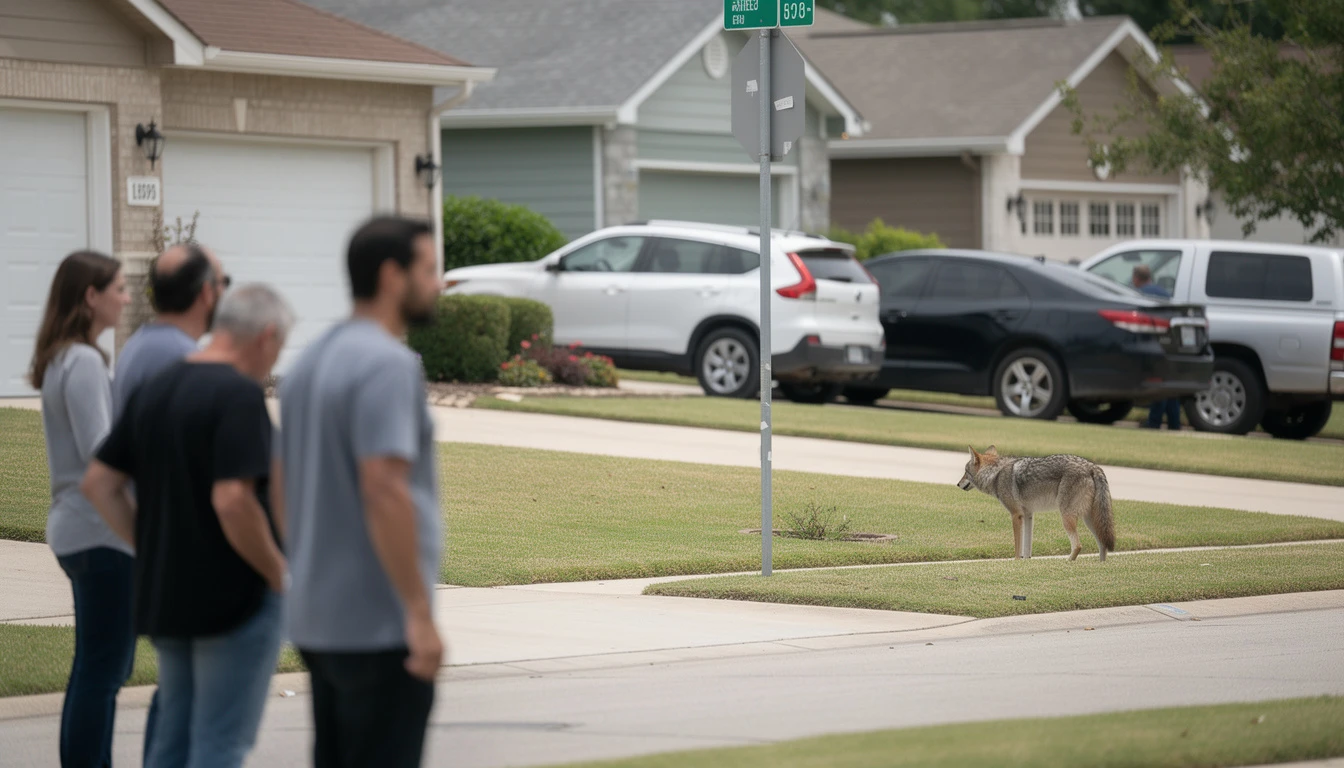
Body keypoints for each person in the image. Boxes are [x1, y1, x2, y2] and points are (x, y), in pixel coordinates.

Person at [81, 284, 292, 768]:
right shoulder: (238, 393)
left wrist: (148, 545)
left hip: (168, 596)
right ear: (266, 335)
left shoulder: (161, 384)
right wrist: (277, 572)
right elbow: (233, 498)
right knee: (221, 743)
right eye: (279, 347)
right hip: (232, 602)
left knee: (172, 741)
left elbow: (98, 483)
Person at [278, 216, 444, 767]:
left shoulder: (307, 364)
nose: (438, 283)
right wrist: (417, 614)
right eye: (429, 268)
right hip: (376, 624)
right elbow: (384, 488)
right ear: (392, 275)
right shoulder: (387, 365)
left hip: (317, 617)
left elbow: (279, 482)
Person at [112, 242, 229, 757]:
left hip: (164, 538)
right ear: (205, 292)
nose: (226, 292)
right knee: (187, 696)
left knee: (180, 691)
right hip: (180, 543)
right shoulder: (178, 357)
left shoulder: (145, 344)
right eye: (224, 282)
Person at [30, 250, 132, 768]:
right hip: (99, 535)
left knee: (95, 666)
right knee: (104, 669)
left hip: (77, 531)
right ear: (91, 296)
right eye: (117, 287)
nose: (126, 296)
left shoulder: (63, 358)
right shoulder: (86, 363)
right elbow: (102, 456)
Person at [1131, 265, 1182, 431]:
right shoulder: (1165, 293)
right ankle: (1174, 423)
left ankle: (1154, 422)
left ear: (1136, 278)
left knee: (1158, 384)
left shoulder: (1140, 294)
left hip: (1152, 342)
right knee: (1169, 385)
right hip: (1170, 341)